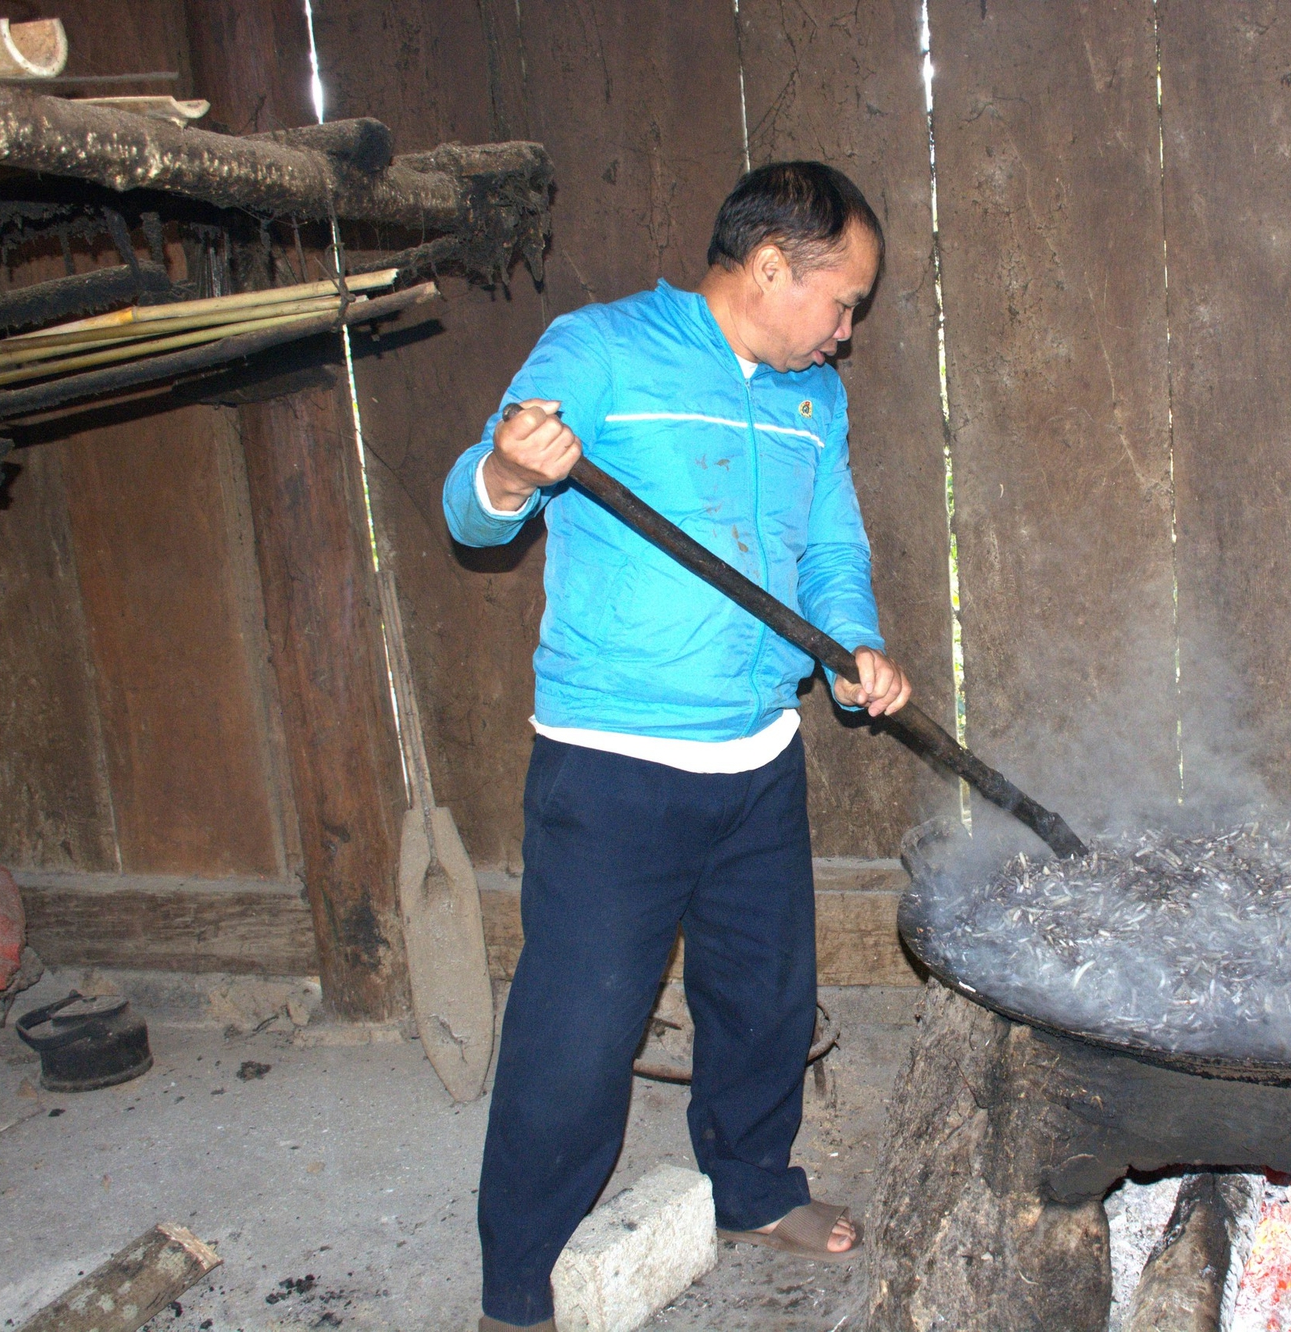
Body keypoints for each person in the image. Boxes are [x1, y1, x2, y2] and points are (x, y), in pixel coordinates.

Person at [442, 161, 913, 1332]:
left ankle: (752, 1190)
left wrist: (851, 644)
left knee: (762, 1001)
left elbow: (828, 549)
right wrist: (509, 469)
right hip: (612, 769)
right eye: (841, 301)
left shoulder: (813, 400)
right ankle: (517, 1286)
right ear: (768, 269)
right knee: (578, 1032)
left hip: (757, 758)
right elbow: (467, 504)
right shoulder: (600, 353)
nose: (846, 332)